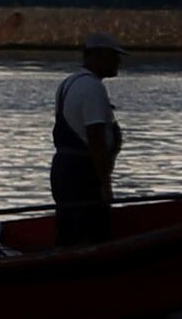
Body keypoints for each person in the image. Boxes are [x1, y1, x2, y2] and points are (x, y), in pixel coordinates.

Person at [48, 39, 126, 244]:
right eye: (113, 56)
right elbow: (96, 139)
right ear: (95, 56)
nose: (118, 62)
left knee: (68, 230)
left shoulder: (68, 84)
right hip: (82, 173)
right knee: (91, 232)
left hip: (62, 170)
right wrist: (105, 184)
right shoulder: (93, 88)